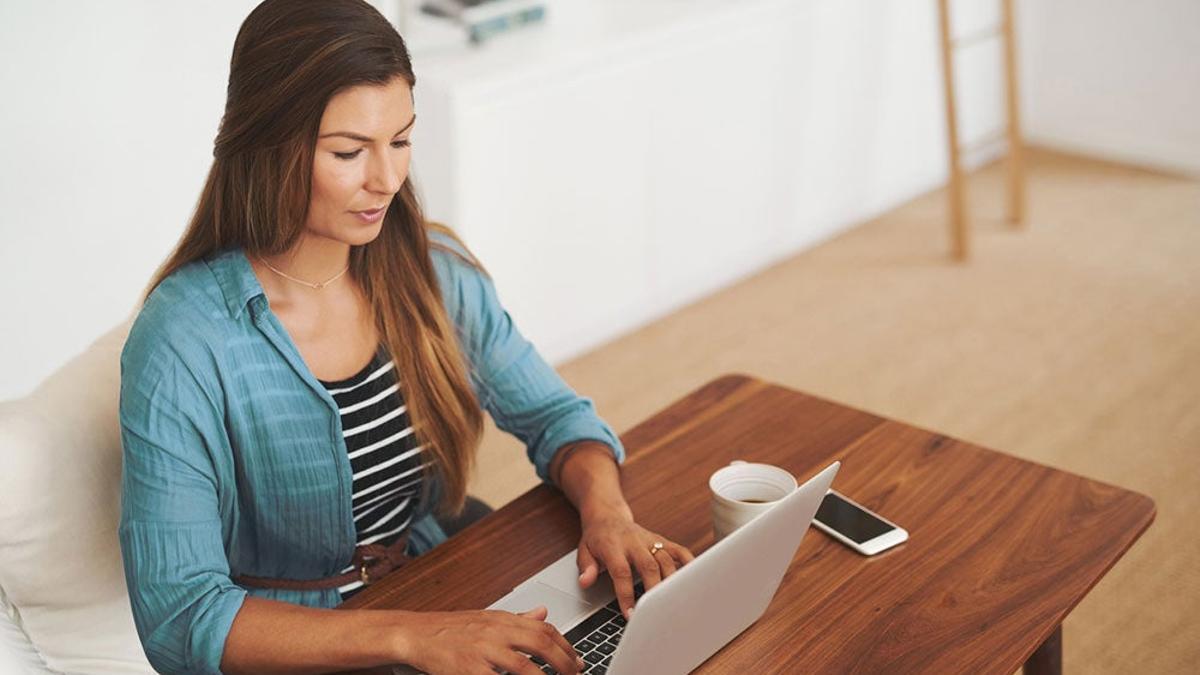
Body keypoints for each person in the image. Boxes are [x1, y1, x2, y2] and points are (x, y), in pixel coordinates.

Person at [116, 1, 694, 673]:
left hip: (440, 588)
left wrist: (609, 511)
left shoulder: (430, 274)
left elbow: (557, 416)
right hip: (310, 650)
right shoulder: (183, 342)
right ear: (267, 141)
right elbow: (181, 617)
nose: (387, 180)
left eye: (400, 140)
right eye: (348, 151)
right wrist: (412, 635)